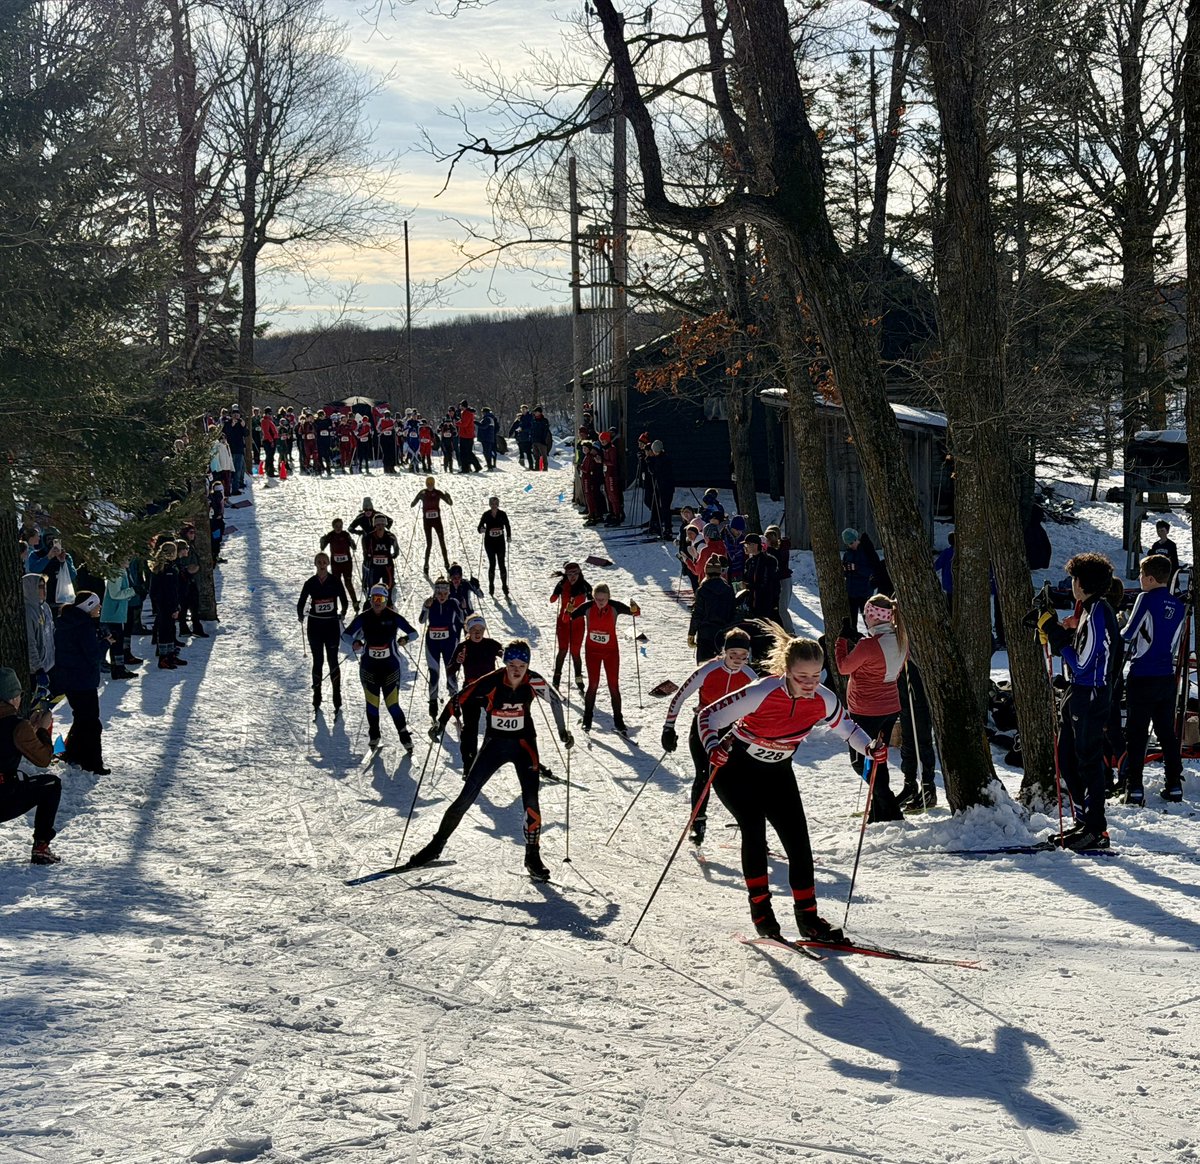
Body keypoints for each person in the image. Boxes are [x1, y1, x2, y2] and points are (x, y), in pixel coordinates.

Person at [697, 627, 884, 941]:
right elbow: (708, 716)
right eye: (802, 677)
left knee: (799, 843)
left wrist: (870, 748)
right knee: (753, 830)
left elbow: (849, 730)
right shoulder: (762, 691)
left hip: (777, 773)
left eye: (815, 675)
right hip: (737, 769)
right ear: (786, 671)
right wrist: (712, 746)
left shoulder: (823, 699)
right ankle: (761, 912)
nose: (810, 684)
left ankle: (809, 919)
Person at [405, 640, 573, 880]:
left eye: (522, 665)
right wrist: (440, 724)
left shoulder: (534, 680)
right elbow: (459, 699)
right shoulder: (492, 680)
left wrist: (563, 731)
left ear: (528, 665)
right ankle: (435, 846)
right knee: (467, 795)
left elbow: (555, 701)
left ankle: (532, 856)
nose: (517, 670)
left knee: (531, 800)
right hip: (494, 745)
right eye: (512, 664)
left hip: (524, 745)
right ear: (505, 663)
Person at [1036, 552, 1121, 849]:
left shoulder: (1099, 611)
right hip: (1079, 691)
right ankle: (1083, 822)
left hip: (1092, 692)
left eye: (1074, 579)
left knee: (1087, 761)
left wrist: (1056, 635)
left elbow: (1084, 663)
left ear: (1083, 583)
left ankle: (1096, 829)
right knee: (1067, 759)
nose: (1071, 584)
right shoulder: (1087, 609)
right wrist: (1059, 629)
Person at [662, 628, 758, 845]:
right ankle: (698, 823)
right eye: (733, 655)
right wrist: (669, 727)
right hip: (704, 726)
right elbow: (680, 696)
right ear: (724, 652)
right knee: (703, 774)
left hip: (731, 731)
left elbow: (759, 707)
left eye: (743, 657)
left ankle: (750, 826)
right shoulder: (709, 670)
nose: (737, 661)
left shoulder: (751, 677)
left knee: (737, 779)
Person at [834, 593, 907, 822]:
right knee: (878, 760)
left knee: (860, 762)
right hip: (889, 707)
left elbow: (844, 667)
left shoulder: (868, 645)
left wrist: (841, 642)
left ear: (871, 617)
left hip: (866, 710)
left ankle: (889, 807)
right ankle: (879, 809)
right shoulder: (900, 638)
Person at [1120, 554, 1187, 804]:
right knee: (1166, 732)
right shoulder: (1178, 605)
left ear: (1149, 578)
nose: (1139, 580)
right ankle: (1174, 784)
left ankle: (1135, 787)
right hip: (1166, 676)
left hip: (1143, 674)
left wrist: (1120, 625)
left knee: (1137, 733)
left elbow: (1129, 633)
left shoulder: (1145, 598)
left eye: (1140, 576)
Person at [344, 585, 417, 751]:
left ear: (386, 601)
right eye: (375, 599)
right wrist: (354, 643)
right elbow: (345, 635)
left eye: (381, 599)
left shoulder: (393, 617)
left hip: (390, 668)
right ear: (370, 599)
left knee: (392, 704)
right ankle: (374, 735)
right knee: (372, 703)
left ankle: (404, 736)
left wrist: (405, 639)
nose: (377, 602)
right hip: (369, 668)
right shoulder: (364, 617)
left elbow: (414, 633)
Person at [0, 667, 61, 864]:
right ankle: (41, 847)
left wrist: (30, 729)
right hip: (3, 797)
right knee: (51, 785)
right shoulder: (16, 726)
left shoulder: (19, 726)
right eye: (18, 695)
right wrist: (42, 730)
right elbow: (43, 760)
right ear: (12, 698)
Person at [51, 592, 111, 775]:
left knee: (82, 718)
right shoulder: (84, 626)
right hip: (83, 680)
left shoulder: (66, 622)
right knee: (92, 722)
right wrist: (105, 644)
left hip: (70, 679)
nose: (99, 608)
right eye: (96, 605)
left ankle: (72, 754)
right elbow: (93, 656)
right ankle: (92, 762)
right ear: (88, 606)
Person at [570, 583, 641, 733]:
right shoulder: (588, 607)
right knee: (593, 684)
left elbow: (635, 613)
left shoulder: (615, 606)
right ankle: (587, 718)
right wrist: (568, 610)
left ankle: (618, 720)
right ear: (593, 597)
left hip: (611, 653)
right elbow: (569, 616)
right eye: (597, 599)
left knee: (613, 686)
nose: (600, 602)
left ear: (609, 597)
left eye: (603, 599)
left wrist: (635, 608)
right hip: (592, 652)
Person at [448, 614, 503, 774]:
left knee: (495, 726)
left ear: (485, 630)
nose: (477, 633)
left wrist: (505, 654)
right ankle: (468, 765)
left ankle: (491, 759)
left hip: (490, 691)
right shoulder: (463, 647)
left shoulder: (491, 644)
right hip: (471, 691)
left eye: (480, 629)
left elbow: (507, 657)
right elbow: (450, 670)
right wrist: (458, 661)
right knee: (470, 729)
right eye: (473, 629)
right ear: (468, 630)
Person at [298, 552, 350, 714]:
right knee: (318, 660)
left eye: (324, 562)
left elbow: (344, 599)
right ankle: (317, 693)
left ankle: (336, 694)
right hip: (314, 626)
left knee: (333, 660)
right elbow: (301, 602)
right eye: (319, 562)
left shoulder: (334, 581)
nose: (322, 564)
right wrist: (300, 615)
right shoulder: (310, 583)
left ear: (328, 564)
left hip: (331, 625)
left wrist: (343, 611)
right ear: (315, 564)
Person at [420, 577, 465, 720]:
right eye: (439, 593)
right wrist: (425, 607)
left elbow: (463, 620)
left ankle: (455, 701)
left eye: (445, 594)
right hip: (432, 643)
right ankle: (433, 703)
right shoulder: (430, 602)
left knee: (450, 671)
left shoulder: (453, 602)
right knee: (434, 673)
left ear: (449, 593)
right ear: (435, 593)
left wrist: (463, 608)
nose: (442, 597)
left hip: (450, 642)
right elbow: (421, 620)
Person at [896, 657, 937, 810]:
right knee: (907, 741)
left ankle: (928, 788)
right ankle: (910, 786)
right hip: (903, 690)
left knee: (922, 741)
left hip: (918, 690)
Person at [549, 561, 592, 691]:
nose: (573, 577)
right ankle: (557, 677)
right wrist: (556, 593)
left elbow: (593, 604)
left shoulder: (585, 586)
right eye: (569, 574)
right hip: (563, 622)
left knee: (575, 652)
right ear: (566, 575)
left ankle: (578, 678)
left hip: (578, 623)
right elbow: (552, 600)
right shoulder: (562, 584)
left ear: (580, 573)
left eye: (575, 573)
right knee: (562, 650)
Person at [689, 556, 738, 663]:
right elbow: (733, 613)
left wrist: (691, 633)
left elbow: (697, 613)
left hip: (705, 634)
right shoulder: (728, 589)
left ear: (706, 572)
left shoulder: (702, 590)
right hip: (723, 633)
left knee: (704, 667)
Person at [100, 557, 141, 681]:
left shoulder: (121, 571)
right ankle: (117, 669)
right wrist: (133, 591)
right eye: (127, 558)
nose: (130, 560)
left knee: (118, 640)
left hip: (117, 611)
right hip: (113, 613)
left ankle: (119, 667)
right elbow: (115, 594)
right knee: (116, 641)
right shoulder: (116, 573)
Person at [149, 541, 184, 669]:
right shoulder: (167, 570)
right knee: (166, 630)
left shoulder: (162, 567)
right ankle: (164, 657)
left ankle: (170, 654)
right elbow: (170, 591)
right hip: (167, 604)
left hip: (162, 603)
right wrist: (174, 606)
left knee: (170, 629)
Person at [22, 573, 56, 701]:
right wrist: (38, 669)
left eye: (45, 586)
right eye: (40, 587)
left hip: (49, 666)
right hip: (37, 671)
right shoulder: (28, 611)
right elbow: (30, 642)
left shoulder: (45, 607)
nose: (44, 590)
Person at [411, 477, 453, 576]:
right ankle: (426, 565)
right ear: (426, 484)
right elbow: (412, 504)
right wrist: (417, 499)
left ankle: (446, 564)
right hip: (427, 522)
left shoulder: (438, 493)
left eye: (431, 484)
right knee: (429, 543)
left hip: (437, 521)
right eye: (428, 484)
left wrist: (448, 497)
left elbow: (450, 503)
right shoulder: (422, 493)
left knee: (442, 542)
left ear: (434, 484)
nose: (429, 485)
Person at [842, 528, 878, 628]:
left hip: (864, 592)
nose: (851, 545)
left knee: (868, 620)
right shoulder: (847, 554)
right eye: (848, 544)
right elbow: (846, 571)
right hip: (851, 592)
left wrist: (857, 568)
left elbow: (872, 570)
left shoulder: (866, 551)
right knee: (852, 622)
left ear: (856, 540)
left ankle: (872, 640)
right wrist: (845, 569)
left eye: (852, 542)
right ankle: (854, 641)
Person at [320, 517, 359, 609]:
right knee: (336, 584)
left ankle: (355, 602)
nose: (338, 528)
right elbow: (322, 547)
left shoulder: (345, 534)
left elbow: (354, 547)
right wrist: (322, 541)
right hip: (335, 564)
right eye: (336, 526)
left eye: (340, 526)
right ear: (333, 527)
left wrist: (352, 543)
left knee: (348, 583)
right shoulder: (331, 535)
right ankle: (337, 605)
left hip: (346, 564)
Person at [478, 495, 512, 597]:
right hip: (489, 543)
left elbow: (507, 525)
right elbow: (479, 526)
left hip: (500, 542)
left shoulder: (502, 514)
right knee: (492, 564)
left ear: (498, 504)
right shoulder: (486, 514)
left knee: (502, 564)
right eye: (492, 504)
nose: (494, 506)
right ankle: (491, 586)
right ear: (489, 505)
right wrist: (482, 529)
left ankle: (504, 586)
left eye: (495, 504)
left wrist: (509, 536)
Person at [361, 513, 401, 598]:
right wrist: (366, 557)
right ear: (375, 525)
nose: (380, 527)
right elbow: (365, 549)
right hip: (374, 567)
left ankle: (388, 604)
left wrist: (394, 554)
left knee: (388, 586)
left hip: (387, 566)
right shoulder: (369, 537)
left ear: (385, 525)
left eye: (382, 524)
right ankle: (372, 604)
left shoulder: (390, 536)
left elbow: (396, 549)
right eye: (378, 524)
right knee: (373, 587)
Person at [763, 524, 793, 630]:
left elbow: (779, 564)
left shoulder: (779, 550)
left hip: (783, 580)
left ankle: (790, 631)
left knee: (782, 609)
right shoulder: (780, 548)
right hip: (784, 580)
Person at [645, 440, 675, 539]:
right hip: (665, 486)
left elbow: (654, 472)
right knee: (665, 507)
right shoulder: (664, 457)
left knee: (665, 508)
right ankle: (665, 527)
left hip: (664, 487)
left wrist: (649, 462)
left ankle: (667, 529)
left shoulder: (661, 459)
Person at [599, 431, 624, 524]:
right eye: (601, 440)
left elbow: (612, 463)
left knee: (613, 495)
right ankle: (613, 513)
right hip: (607, 474)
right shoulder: (605, 449)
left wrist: (602, 461)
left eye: (604, 440)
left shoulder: (612, 449)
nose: (602, 442)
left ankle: (617, 514)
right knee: (609, 495)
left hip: (612, 475)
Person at [580, 441, 605, 525]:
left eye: (586, 448)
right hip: (591, 479)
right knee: (591, 497)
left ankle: (594, 515)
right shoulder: (589, 457)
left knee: (592, 497)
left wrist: (580, 467)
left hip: (591, 479)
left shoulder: (592, 457)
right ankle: (593, 514)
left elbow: (587, 469)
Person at [456, 400, 482, 472]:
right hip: (466, 435)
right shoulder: (465, 413)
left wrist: (457, 424)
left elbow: (465, 424)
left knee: (465, 453)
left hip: (466, 435)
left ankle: (469, 467)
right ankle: (469, 467)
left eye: (461, 406)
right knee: (466, 453)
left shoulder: (467, 414)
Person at [510, 405, 533, 469]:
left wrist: (522, 429)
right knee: (521, 450)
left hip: (528, 437)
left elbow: (531, 427)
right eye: (522, 410)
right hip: (521, 437)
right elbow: (514, 426)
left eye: (524, 409)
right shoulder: (521, 417)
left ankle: (531, 466)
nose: (523, 411)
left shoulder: (530, 417)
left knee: (528, 452)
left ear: (527, 410)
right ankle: (522, 460)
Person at [260, 407, 279, 476]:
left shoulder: (269, 420)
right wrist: (271, 441)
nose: (270, 415)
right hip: (269, 440)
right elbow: (266, 432)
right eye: (269, 413)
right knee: (270, 456)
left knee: (270, 456)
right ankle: (270, 471)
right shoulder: (265, 421)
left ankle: (269, 469)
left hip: (271, 439)